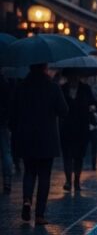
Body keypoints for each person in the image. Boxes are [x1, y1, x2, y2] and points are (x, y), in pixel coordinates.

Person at [11, 63, 68, 225]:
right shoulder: (53, 88)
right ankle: (40, 215)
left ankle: (27, 200)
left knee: (29, 172)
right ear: (45, 69)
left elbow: (13, 113)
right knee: (44, 176)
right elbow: (64, 110)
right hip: (47, 138)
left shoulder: (21, 87)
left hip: (26, 137)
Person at [59, 72, 97, 192]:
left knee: (79, 156)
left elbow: (94, 103)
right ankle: (68, 181)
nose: (73, 79)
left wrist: (93, 107)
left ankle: (76, 180)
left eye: (75, 76)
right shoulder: (62, 89)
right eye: (71, 76)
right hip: (66, 127)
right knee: (67, 155)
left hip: (82, 127)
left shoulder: (85, 88)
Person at [0, 67, 14, 194]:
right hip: (2, 122)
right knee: (5, 152)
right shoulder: (5, 83)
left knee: (5, 152)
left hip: (3, 121)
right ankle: (7, 180)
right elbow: (9, 103)